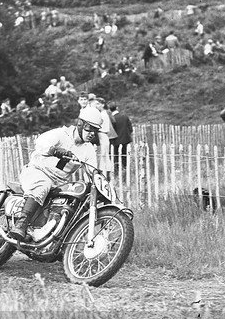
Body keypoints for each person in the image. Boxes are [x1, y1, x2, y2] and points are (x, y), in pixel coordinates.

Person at [8, 106, 103, 241]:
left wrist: (98, 178)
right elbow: (41, 142)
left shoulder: (89, 150)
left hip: (58, 183)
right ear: (80, 124)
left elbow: (92, 169)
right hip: (37, 171)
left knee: (71, 202)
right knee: (43, 184)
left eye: (95, 130)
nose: (92, 133)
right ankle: (21, 223)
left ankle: (56, 238)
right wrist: (55, 150)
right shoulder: (61, 134)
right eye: (89, 128)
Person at [109, 101, 133, 173]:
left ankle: (116, 168)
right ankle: (124, 166)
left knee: (115, 154)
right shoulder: (124, 116)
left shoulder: (111, 118)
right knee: (124, 152)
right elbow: (130, 127)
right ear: (117, 108)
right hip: (125, 138)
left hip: (115, 139)